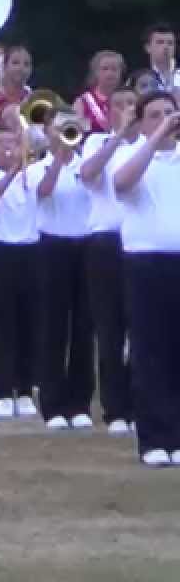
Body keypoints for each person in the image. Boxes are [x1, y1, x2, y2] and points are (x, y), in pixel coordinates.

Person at [109, 90, 180, 466]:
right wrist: (154, 139)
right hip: (145, 262)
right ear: (141, 121)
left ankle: (177, 435)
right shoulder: (129, 153)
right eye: (155, 114)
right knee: (149, 350)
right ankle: (153, 438)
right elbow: (121, 184)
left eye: (170, 112)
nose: (166, 119)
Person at [79, 87, 139, 436]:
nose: (126, 110)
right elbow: (89, 174)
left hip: (139, 245)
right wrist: (117, 136)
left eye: (132, 104)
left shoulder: (152, 148)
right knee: (110, 327)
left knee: (143, 327)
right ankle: (116, 408)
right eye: (119, 105)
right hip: (106, 240)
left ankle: (141, 401)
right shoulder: (97, 143)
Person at [33, 110, 94, 430]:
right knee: (53, 327)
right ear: (48, 133)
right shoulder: (37, 167)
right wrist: (57, 158)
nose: (66, 134)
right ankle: (53, 403)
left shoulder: (88, 164)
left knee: (84, 326)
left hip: (85, 246)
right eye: (59, 129)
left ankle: (80, 401)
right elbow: (42, 193)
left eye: (71, 128)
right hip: (52, 246)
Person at [0, 127, 41, 418]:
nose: (7, 148)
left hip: (30, 251)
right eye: (0, 144)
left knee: (30, 324)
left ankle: (25, 389)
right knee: (2, 325)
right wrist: (13, 172)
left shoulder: (33, 174)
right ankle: (3, 390)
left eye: (12, 142)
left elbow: (47, 189)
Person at [74, 51, 126, 134]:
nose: (110, 73)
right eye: (105, 69)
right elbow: (76, 129)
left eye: (114, 69)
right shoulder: (83, 101)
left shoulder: (128, 99)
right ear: (96, 72)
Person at [0, 46, 33, 124]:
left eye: (27, 64)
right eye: (15, 63)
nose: (21, 68)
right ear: (4, 66)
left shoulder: (35, 98)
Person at [141, 22, 180, 92]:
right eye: (160, 42)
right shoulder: (138, 78)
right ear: (147, 47)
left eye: (170, 43)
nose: (166, 47)